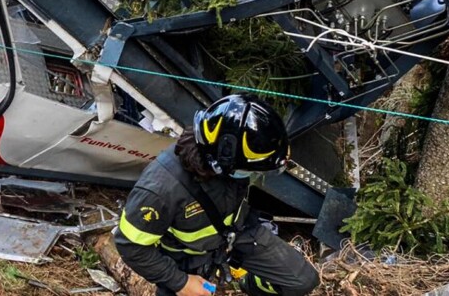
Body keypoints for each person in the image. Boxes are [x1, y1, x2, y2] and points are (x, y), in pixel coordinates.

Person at [115, 95, 319, 296]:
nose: (253, 175)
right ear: (223, 161)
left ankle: (249, 285)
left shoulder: (227, 156)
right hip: (186, 258)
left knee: (301, 280)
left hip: (237, 233)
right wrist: (181, 283)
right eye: (251, 170)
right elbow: (131, 246)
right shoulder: (160, 189)